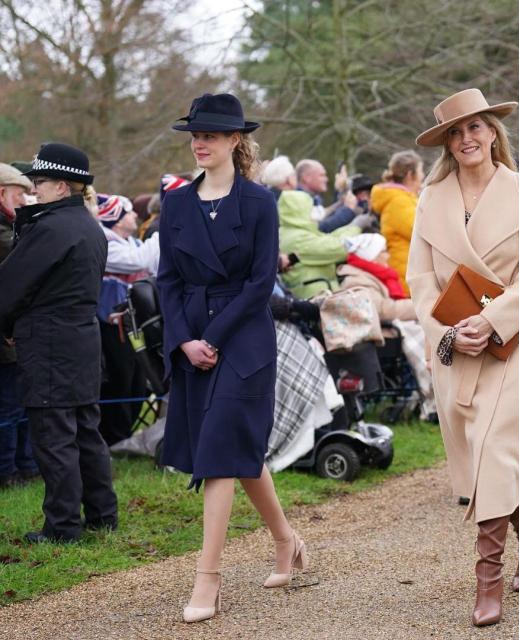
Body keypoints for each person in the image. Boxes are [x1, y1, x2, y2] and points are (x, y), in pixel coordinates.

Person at [408, 88, 519, 627]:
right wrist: (448, 331)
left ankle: (487, 577)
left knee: (496, 445)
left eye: (476, 127)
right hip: (456, 345)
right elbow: (420, 280)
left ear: (494, 132)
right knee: (482, 453)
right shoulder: (432, 198)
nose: (468, 138)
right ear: (447, 143)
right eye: (456, 131)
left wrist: (491, 321)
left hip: (513, 338)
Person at [157, 93, 307, 623]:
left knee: (221, 447)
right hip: (192, 335)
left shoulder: (259, 202)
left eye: (212, 135)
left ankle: (208, 578)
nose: (200, 143)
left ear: (234, 141)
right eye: (195, 135)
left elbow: (260, 281)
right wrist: (183, 341)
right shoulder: (174, 204)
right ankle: (287, 540)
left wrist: (213, 335)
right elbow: (167, 281)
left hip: (244, 336)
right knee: (239, 451)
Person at [0, 143, 118, 542]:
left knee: (54, 438)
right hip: (82, 338)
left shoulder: (50, 228)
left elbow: (10, 286)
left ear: (63, 186)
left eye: (42, 181)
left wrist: (7, 322)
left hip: (50, 343)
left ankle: (63, 526)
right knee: (86, 432)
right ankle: (103, 515)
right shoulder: (88, 227)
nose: (36, 189)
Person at [95, 193, 160, 445]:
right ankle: (113, 438)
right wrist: (164, 230)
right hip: (111, 326)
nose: (135, 215)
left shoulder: (129, 242)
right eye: (128, 212)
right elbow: (140, 262)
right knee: (119, 381)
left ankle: (124, 434)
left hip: (131, 324)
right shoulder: (107, 244)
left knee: (137, 382)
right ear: (116, 219)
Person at [0, 163, 39, 488]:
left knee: (22, 402)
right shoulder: (6, 234)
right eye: (20, 194)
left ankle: (25, 464)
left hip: (14, 331)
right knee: (10, 406)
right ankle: (8, 470)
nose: (26, 200)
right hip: (6, 334)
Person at [373, 150, 424, 295]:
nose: (422, 176)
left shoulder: (404, 198)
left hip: (409, 268)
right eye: (420, 171)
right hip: (406, 273)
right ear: (410, 174)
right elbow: (422, 232)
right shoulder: (398, 201)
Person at [338, 234, 415, 322]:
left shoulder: (373, 274)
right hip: (386, 331)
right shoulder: (357, 281)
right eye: (384, 251)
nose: (388, 256)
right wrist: (420, 306)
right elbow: (383, 310)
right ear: (372, 256)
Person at [295, 159, 360, 233]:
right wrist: (348, 210)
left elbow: (324, 217)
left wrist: (341, 192)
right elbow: (320, 229)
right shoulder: (297, 202)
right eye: (322, 175)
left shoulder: (313, 198)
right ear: (307, 178)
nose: (326, 179)